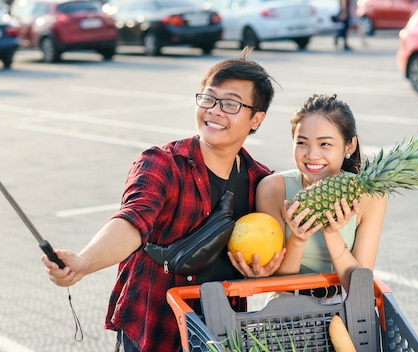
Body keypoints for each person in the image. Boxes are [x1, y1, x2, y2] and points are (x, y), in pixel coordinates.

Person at [41, 48, 284, 352]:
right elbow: (133, 221)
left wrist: (264, 271)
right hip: (154, 326)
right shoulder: (162, 163)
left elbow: (279, 246)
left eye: (230, 104)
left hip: (221, 332)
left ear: (256, 119)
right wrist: (84, 262)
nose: (214, 110)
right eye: (208, 98)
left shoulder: (260, 181)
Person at [255, 93, 387, 296]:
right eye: (302, 143)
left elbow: (359, 286)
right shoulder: (272, 190)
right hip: (286, 307)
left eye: (325, 144)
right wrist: (298, 239)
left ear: (349, 145)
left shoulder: (371, 196)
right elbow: (278, 285)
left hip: (346, 304)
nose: (312, 154)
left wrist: (331, 232)